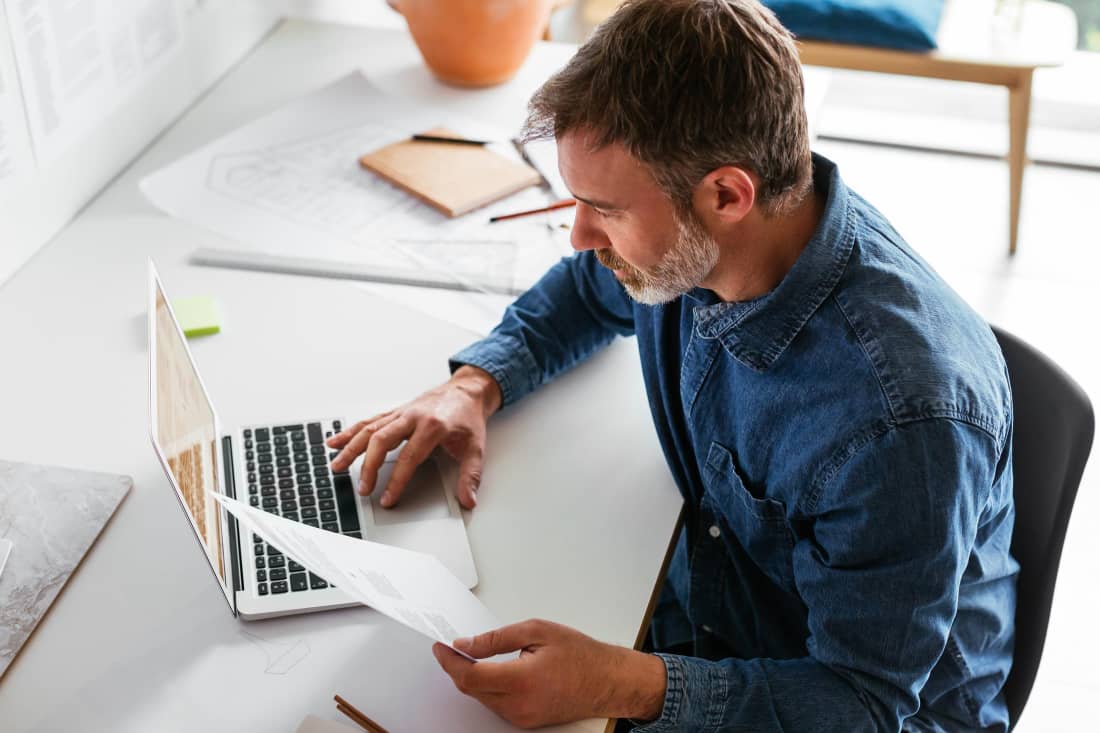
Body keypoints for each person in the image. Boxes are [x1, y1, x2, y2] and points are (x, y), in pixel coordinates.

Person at [327, 0, 1018, 730]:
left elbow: (862, 702)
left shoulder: (899, 420)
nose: (579, 235)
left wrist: (623, 685)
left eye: (605, 209)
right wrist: (474, 384)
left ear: (727, 194)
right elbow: (588, 286)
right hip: (718, 608)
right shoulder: (707, 241)